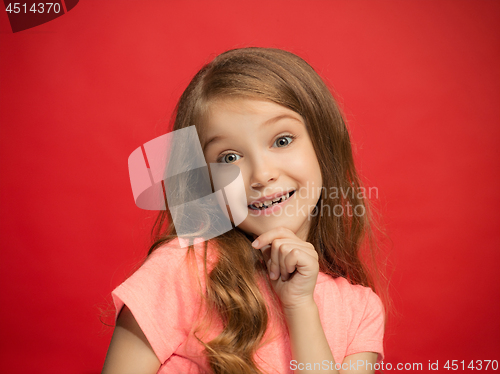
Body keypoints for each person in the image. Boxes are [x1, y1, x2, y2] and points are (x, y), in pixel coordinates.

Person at [101, 47, 385, 374]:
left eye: (281, 140)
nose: (262, 175)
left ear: (322, 143)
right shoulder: (182, 272)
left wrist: (300, 307)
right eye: (229, 158)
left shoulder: (360, 310)